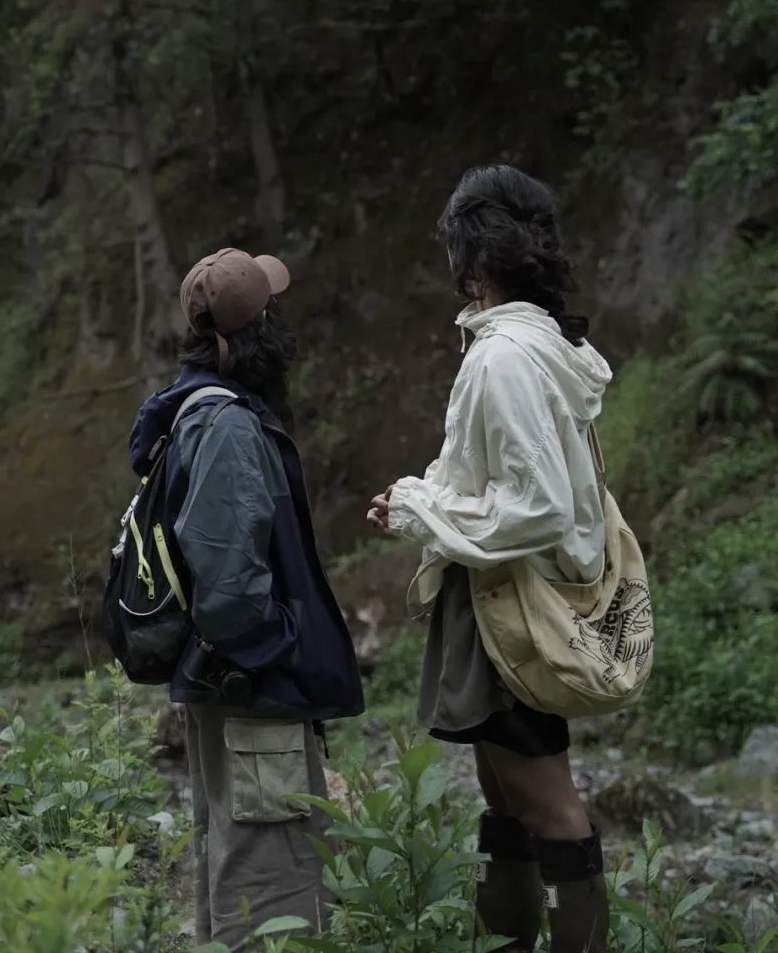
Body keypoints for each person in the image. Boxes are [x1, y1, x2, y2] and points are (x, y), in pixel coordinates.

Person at [366, 166, 612, 953]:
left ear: (471, 254)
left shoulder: (504, 356)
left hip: (511, 602)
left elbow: (536, 505)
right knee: (505, 799)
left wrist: (423, 510)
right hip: (504, 592)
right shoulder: (541, 343)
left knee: (548, 805)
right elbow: (503, 479)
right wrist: (419, 499)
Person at [128, 248, 365, 950]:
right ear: (253, 333)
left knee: (236, 867)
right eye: (272, 312)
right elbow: (230, 590)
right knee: (273, 889)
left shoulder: (194, 410)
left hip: (228, 684)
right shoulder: (228, 427)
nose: (282, 325)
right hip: (253, 688)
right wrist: (286, 649)